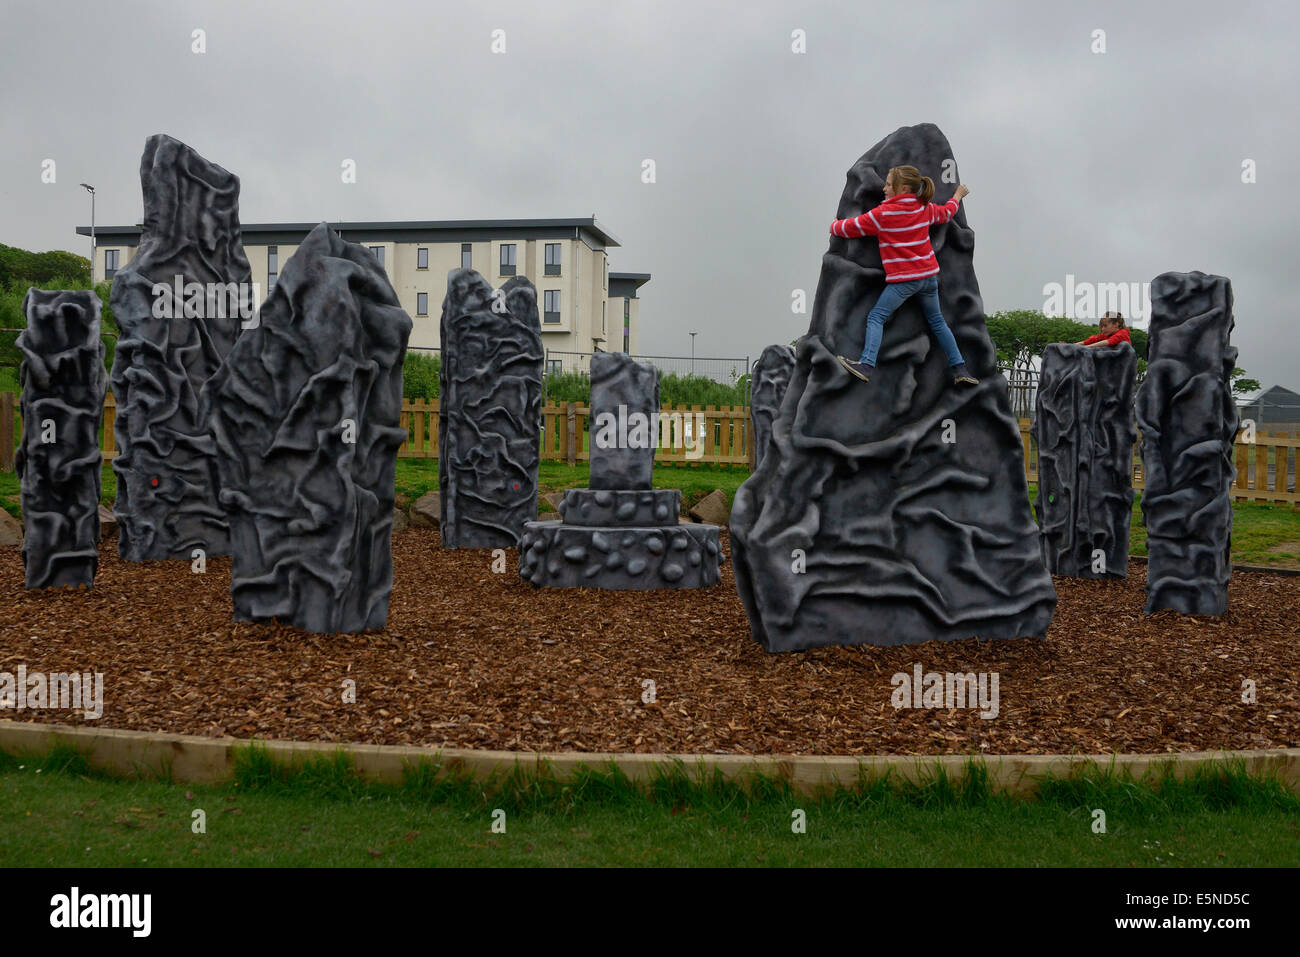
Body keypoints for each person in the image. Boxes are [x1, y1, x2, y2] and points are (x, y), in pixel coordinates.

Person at [832, 165, 978, 386]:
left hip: (904, 281)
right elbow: (947, 213)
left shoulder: (883, 214)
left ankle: (866, 365)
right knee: (938, 323)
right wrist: (957, 195)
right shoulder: (923, 208)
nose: (884, 188)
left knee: (876, 317)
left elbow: (853, 227)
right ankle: (960, 369)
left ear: (904, 188)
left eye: (889, 184)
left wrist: (834, 225)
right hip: (929, 278)